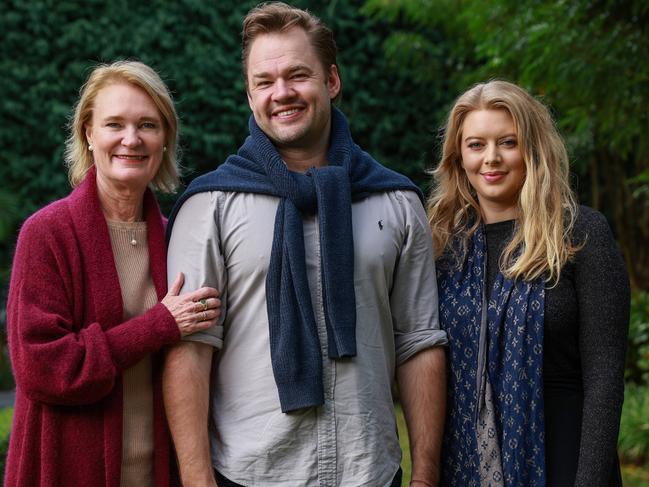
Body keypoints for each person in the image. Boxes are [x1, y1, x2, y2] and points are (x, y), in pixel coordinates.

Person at [163, 2, 448, 486]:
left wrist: (425, 475)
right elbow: (190, 348)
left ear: (331, 81)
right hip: (251, 475)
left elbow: (419, 341)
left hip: (369, 473)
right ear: (250, 94)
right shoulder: (209, 205)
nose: (282, 93)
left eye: (298, 75)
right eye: (264, 82)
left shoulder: (396, 201)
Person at [5, 60, 221, 487]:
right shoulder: (47, 234)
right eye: (114, 124)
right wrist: (157, 325)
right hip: (68, 471)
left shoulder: (176, 236)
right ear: (88, 133)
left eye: (147, 125)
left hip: (160, 473)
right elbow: (42, 368)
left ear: (164, 140)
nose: (131, 139)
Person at [428, 80, 630, 486]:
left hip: (565, 462)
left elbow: (605, 381)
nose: (491, 159)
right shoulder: (442, 248)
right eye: (476, 145)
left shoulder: (580, 236)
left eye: (507, 142)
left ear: (532, 149)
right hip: (465, 466)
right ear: (458, 156)